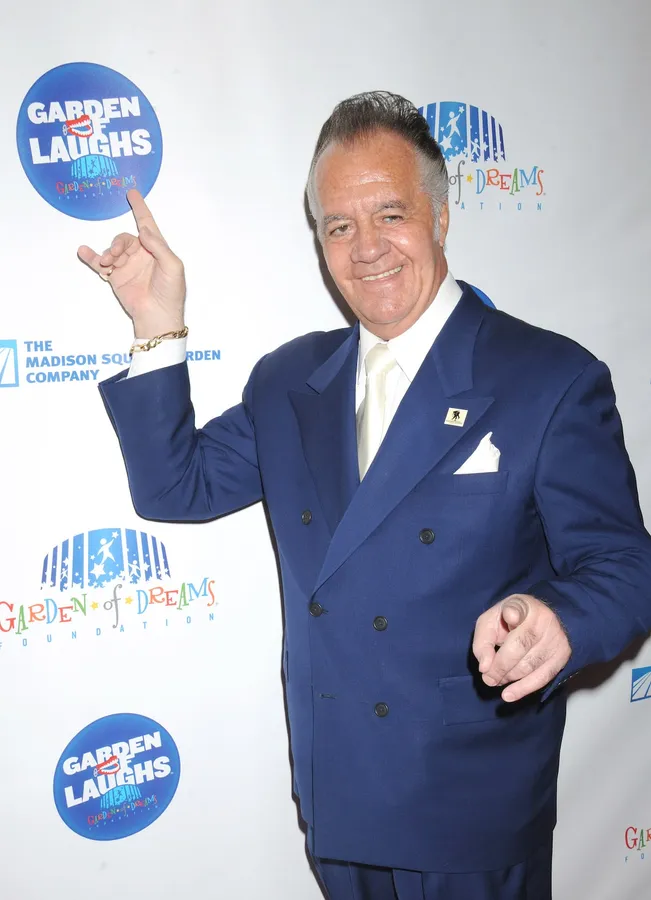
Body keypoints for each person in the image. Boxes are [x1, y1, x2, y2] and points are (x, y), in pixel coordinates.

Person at [78, 92, 651, 900]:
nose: (367, 248)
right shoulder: (289, 380)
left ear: (440, 216)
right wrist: (155, 322)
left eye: (390, 214)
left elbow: (624, 565)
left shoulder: (548, 377)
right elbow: (177, 487)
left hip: (470, 806)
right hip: (338, 790)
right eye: (338, 226)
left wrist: (559, 617)